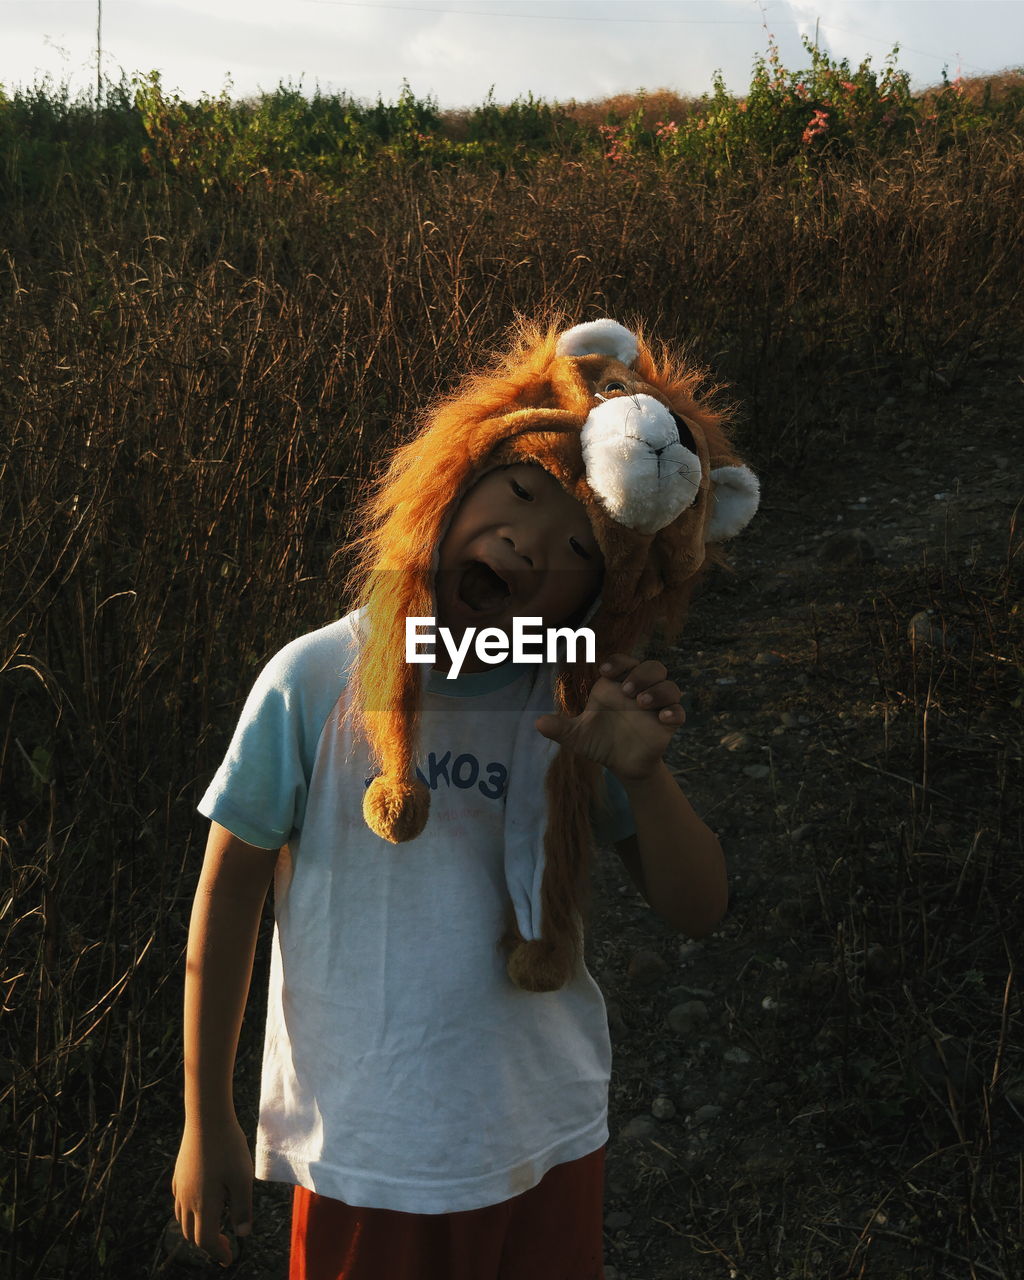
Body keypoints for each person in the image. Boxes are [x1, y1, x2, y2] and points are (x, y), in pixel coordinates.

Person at [171, 318, 759, 1279]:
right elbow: (229, 894)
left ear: (598, 601)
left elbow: (699, 908)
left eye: (577, 548)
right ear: (456, 475)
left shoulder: (566, 698)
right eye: (518, 494)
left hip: (544, 1135)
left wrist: (643, 773)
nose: (529, 547)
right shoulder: (318, 679)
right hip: (370, 1153)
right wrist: (208, 1122)